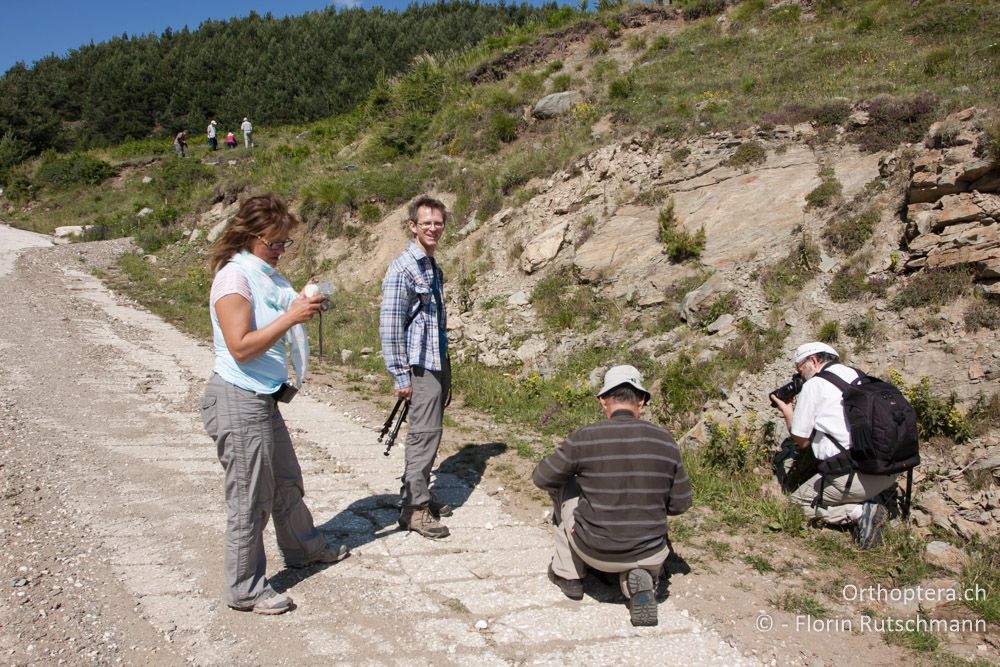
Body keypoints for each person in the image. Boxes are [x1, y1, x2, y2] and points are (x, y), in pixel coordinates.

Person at [200, 194, 348, 616]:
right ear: (250, 236)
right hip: (237, 396)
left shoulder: (263, 273)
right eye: (275, 243)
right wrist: (292, 317)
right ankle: (244, 588)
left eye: (286, 243)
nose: (282, 251)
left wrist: (301, 305)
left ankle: (303, 547)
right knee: (250, 497)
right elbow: (241, 346)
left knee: (285, 478)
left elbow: (275, 312)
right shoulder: (234, 279)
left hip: (262, 396)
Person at [532, 365, 692, 627]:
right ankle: (638, 578)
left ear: (603, 401)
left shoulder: (585, 437)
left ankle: (569, 574)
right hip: (651, 551)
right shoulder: (666, 441)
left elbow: (542, 478)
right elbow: (680, 504)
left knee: (563, 486)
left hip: (594, 550)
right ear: (641, 401)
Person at [770, 342, 899, 549]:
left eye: (800, 370)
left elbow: (802, 441)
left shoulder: (815, 385)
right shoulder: (858, 376)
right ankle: (872, 498)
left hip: (852, 477)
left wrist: (787, 410)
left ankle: (861, 512)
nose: (800, 377)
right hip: (888, 471)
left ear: (813, 361)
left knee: (794, 506)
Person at [379, 196, 453, 539]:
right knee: (423, 435)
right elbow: (391, 326)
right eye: (426, 223)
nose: (433, 228)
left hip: (436, 361)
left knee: (432, 432)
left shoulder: (431, 266)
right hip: (419, 366)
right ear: (413, 226)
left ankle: (419, 493)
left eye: (438, 222)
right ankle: (414, 509)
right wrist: (399, 375)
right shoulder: (403, 268)